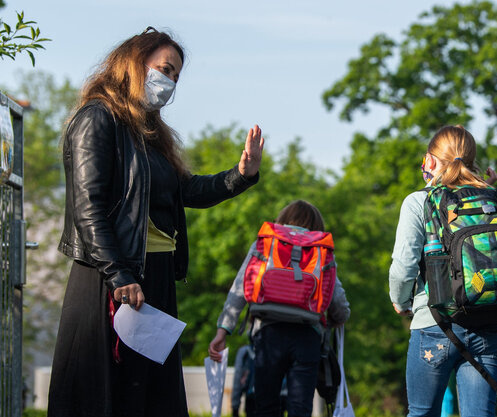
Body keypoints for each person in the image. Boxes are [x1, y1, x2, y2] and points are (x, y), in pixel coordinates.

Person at [48, 27, 264, 417]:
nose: (169, 82)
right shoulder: (97, 119)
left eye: (176, 76)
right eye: (165, 69)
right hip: (113, 279)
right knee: (106, 395)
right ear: (135, 62)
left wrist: (240, 174)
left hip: (156, 279)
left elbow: (188, 191)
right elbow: (87, 207)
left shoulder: (149, 136)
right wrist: (118, 274)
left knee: (151, 398)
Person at [389, 125, 497, 417]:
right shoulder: (493, 200)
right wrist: (490, 190)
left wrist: (401, 302)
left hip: (434, 322)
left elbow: (403, 267)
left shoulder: (418, 202)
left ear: (431, 161)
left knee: (422, 413)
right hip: (487, 324)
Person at [209, 200, 351, 417]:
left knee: (265, 406)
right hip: (307, 336)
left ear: (283, 219)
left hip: (268, 334)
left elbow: (239, 287)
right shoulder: (320, 249)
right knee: (300, 407)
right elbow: (337, 300)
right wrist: (339, 318)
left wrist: (223, 329)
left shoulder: (267, 242)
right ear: (316, 225)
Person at [231, 344, 256, 417]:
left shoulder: (245, 351)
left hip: (251, 398)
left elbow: (237, 378)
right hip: (275, 400)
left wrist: (235, 407)